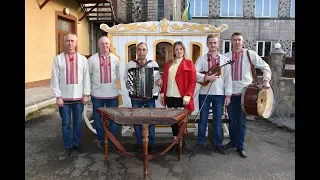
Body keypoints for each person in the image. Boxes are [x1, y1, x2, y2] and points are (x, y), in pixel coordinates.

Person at [224, 32, 271, 158]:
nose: (237, 42)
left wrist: (266, 80)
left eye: (239, 40)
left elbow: (265, 66)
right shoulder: (226, 56)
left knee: (241, 121)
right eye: (234, 40)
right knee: (232, 120)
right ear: (231, 42)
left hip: (246, 94)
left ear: (243, 41)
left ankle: (240, 146)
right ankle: (232, 142)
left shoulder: (250, 54)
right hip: (230, 93)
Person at [50, 33, 90, 156]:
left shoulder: (83, 59)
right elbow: (55, 78)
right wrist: (58, 96)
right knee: (66, 123)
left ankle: (76, 143)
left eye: (72, 41)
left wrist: (86, 94)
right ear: (64, 42)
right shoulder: (58, 59)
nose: (70, 43)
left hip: (79, 98)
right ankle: (68, 145)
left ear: (76, 43)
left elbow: (86, 77)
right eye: (68, 41)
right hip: (64, 99)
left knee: (78, 123)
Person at [194, 34, 232, 155]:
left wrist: (228, 95)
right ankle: (200, 143)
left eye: (215, 43)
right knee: (203, 120)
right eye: (210, 43)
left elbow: (228, 78)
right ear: (207, 45)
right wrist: (206, 77)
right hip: (204, 93)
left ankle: (218, 143)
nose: (213, 45)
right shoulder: (202, 59)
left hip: (219, 94)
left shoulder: (224, 60)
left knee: (218, 120)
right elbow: (194, 74)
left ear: (218, 44)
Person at [125, 42, 162, 153]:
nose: (141, 52)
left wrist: (160, 82)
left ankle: (151, 144)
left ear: (147, 51)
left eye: (143, 49)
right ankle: (140, 144)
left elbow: (158, 80)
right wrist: (128, 84)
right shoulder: (131, 65)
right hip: (136, 99)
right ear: (136, 51)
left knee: (151, 121)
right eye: (139, 49)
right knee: (137, 121)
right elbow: (125, 79)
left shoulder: (153, 64)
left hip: (150, 98)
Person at [159, 41, 196, 151]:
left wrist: (188, 95)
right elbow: (165, 80)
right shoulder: (168, 64)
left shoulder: (189, 64)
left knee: (181, 121)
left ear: (184, 50)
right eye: (176, 49)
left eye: (181, 49)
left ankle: (180, 142)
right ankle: (175, 141)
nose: (179, 51)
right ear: (174, 51)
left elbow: (192, 81)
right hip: (170, 96)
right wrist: (162, 93)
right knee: (173, 121)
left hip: (181, 97)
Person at [88, 36, 122, 149]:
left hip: (112, 95)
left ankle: (112, 141)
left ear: (110, 45)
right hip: (97, 95)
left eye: (107, 43)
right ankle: (102, 140)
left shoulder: (115, 59)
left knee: (113, 119)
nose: (105, 45)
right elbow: (88, 76)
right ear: (98, 45)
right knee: (98, 120)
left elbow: (117, 75)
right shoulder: (92, 60)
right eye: (102, 43)